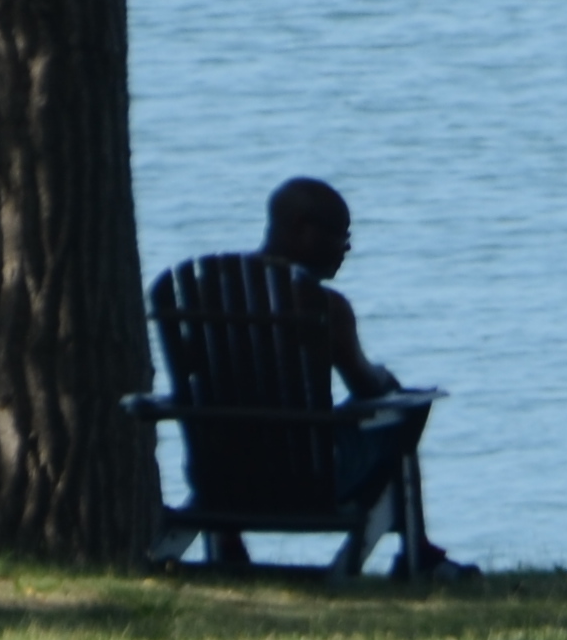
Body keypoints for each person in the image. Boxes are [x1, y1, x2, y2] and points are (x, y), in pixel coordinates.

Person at [197, 177, 462, 577]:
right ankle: (417, 553)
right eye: (340, 235)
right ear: (302, 229)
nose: (347, 249)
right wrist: (386, 380)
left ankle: (228, 542)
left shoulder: (202, 294)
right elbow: (365, 386)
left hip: (217, 473)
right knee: (408, 410)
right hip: (306, 481)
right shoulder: (324, 307)